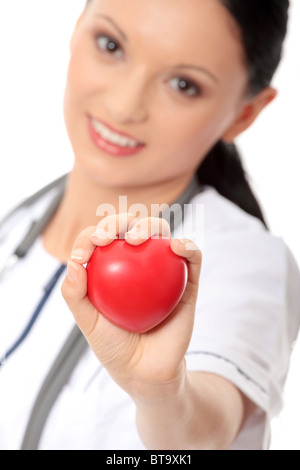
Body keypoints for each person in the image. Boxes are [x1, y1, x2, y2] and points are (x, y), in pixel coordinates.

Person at [0, 0, 299, 451]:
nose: (123, 106)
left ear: (245, 113)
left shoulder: (243, 262)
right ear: (78, 25)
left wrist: (162, 394)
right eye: (111, 44)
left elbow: (207, 431)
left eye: (184, 84)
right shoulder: (15, 220)